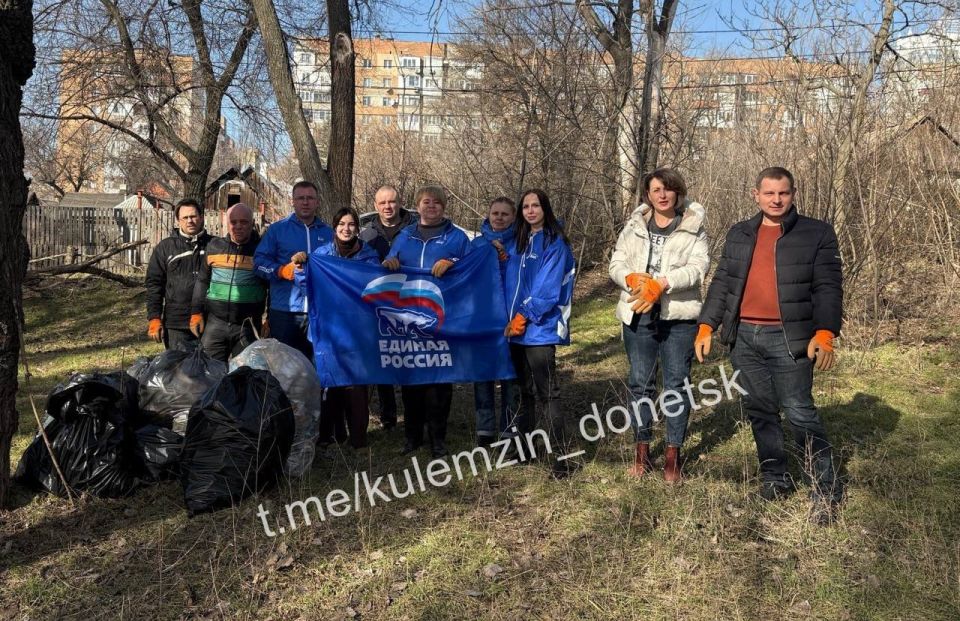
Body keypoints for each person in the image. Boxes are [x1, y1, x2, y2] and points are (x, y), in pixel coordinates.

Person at [695, 166, 842, 524]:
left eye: (784, 193)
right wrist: (706, 324)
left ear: (793, 194)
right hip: (744, 337)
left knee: (799, 412)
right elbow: (724, 282)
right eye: (769, 193)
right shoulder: (740, 233)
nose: (776, 200)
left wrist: (825, 332)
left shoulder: (816, 233)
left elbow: (827, 287)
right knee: (760, 412)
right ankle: (775, 480)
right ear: (755, 194)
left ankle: (826, 490)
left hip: (790, 339)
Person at [608, 168, 710, 482]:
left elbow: (699, 267)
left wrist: (663, 283)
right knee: (640, 384)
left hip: (678, 316)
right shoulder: (635, 224)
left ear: (678, 192)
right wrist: (629, 279)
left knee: (676, 385)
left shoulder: (693, 225)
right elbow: (617, 262)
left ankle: (672, 459)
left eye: (667, 189)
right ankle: (642, 455)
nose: (662, 195)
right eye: (655, 190)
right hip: (638, 314)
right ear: (647, 195)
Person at [382, 185, 472, 458]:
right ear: (417, 206)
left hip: (442, 317)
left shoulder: (456, 237)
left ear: (444, 207)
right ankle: (412, 437)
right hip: (408, 317)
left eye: (436, 202)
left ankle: (438, 439)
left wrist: (453, 261)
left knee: (438, 382)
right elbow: (390, 258)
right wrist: (389, 262)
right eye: (425, 202)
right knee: (411, 380)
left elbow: (472, 268)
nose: (431, 206)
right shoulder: (405, 235)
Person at [293, 207, 380, 449]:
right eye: (342, 224)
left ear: (357, 228)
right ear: (335, 226)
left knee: (356, 384)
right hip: (328, 327)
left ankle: (358, 439)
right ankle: (329, 435)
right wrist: (301, 268)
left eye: (351, 224)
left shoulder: (369, 255)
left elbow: (374, 287)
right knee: (330, 382)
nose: (346, 228)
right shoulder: (321, 254)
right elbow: (306, 286)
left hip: (358, 329)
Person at [503, 189, 576, 478]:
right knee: (524, 393)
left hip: (540, 330)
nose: (531, 210)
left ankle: (561, 457)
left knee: (548, 394)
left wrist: (523, 316)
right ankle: (526, 449)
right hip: (515, 332)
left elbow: (546, 290)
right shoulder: (517, 243)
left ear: (545, 208)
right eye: (526, 206)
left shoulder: (554, 243)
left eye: (535, 205)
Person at [254, 180, 333, 360]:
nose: (305, 202)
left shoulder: (329, 233)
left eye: (310, 198)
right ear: (293, 201)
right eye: (301, 198)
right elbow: (258, 263)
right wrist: (281, 271)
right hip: (285, 312)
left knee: (317, 368)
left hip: (319, 312)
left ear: (317, 202)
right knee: (285, 370)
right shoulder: (277, 230)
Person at [359, 185, 416, 430]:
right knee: (384, 358)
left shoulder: (415, 229)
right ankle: (388, 417)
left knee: (409, 359)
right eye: (382, 203)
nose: (387, 207)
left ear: (400, 202)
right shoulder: (367, 235)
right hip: (379, 305)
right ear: (375, 205)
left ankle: (413, 415)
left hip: (410, 302)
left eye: (392, 202)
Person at [189, 203, 267, 362]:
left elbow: (272, 286)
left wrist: (270, 317)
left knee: (244, 375)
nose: (238, 226)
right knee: (208, 373)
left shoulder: (262, 251)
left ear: (252, 223)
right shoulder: (214, 246)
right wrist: (196, 312)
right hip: (215, 323)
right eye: (233, 222)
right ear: (226, 224)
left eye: (244, 222)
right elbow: (202, 281)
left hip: (248, 325)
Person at [472, 196, 519, 447]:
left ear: (513, 217)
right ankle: (485, 431)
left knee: (510, 377)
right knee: (483, 376)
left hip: (511, 319)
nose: (499, 218)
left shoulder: (521, 243)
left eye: (504, 214)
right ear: (488, 215)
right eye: (495, 213)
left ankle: (510, 430)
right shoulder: (477, 243)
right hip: (483, 318)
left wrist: (505, 260)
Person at [145, 198, 211, 350]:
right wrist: (154, 318)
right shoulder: (165, 248)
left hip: (210, 321)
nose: (190, 221)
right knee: (178, 370)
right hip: (176, 323)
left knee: (210, 370)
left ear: (201, 217)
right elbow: (154, 285)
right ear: (178, 221)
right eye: (185, 218)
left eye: (194, 216)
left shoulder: (214, 246)